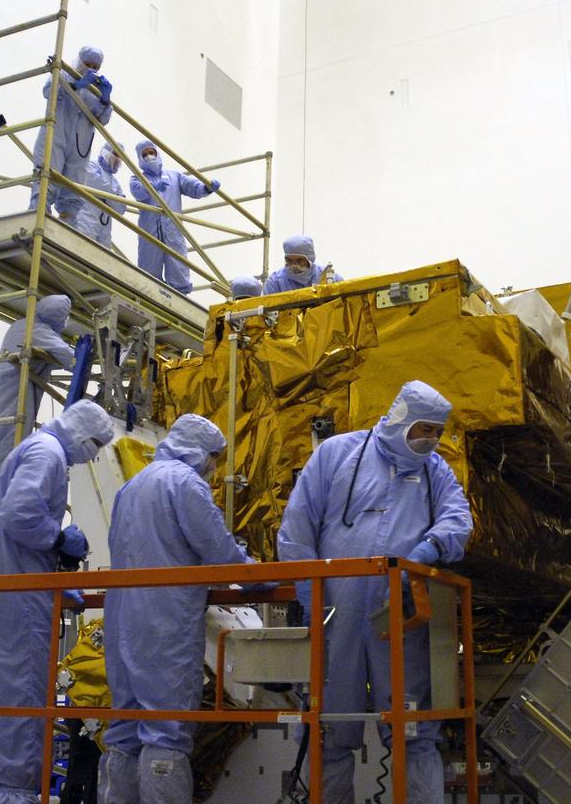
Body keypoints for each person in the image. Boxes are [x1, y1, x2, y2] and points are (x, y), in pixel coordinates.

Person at [277, 381, 473, 803]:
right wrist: (310, 598)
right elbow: (297, 528)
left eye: (437, 432)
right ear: (400, 417)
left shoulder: (434, 470)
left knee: (414, 729)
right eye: (423, 429)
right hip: (335, 614)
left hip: (399, 616)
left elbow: (458, 519)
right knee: (328, 727)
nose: (430, 440)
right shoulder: (337, 454)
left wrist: (429, 548)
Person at [0, 400, 114, 804]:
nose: (94, 455)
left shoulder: (32, 448)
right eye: (96, 445)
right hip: (17, 604)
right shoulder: (48, 454)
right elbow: (20, 514)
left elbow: (14, 530)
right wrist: (59, 538)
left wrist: (52, 580)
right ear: (85, 436)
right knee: (20, 711)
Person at [100, 414, 255, 804]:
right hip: (164, 622)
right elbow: (217, 550)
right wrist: (260, 575)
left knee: (125, 729)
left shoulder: (132, 486)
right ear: (199, 451)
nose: (214, 468)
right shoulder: (186, 484)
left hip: (123, 620)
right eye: (214, 458)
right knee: (165, 730)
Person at [0, 295, 76, 526]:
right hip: (12, 404)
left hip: (4, 399)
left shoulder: (23, 325)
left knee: (1, 463)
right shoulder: (35, 330)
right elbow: (73, 359)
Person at [30, 45, 113, 224]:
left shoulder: (94, 91)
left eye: (96, 67)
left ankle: (66, 226)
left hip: (79, 149)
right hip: (56, 138)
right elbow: (49, 91)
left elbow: (103, 118)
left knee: (73, 188)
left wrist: (105, 100)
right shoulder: (63, 74)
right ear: (80, 61)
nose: (91, 69)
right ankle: (38, 219)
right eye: (88, 64)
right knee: (47, 178)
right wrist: (75, 85)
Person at [129, 141, 219, 294]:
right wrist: (152, 187)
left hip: (173, 229)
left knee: (178, 264)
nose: (149, 156)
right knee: (148, 269)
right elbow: (138, 192)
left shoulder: (174, 176)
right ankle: (148, 295)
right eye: (145, 155)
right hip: (150, 231)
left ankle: (179, 297)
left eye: (152, 152)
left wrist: (206, 188)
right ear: (140, 159)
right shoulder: (137, 178)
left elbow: (192, 186)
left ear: (157, 153)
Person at [76, 142, 126, 247]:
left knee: (101, 257)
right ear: (106, 151)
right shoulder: (92, 165)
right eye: (115, 154)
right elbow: (91, 180)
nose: (117, 158)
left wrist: (106, 192)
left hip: (104, 233)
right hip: (85, 223)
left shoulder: (115, 182)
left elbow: (121, 208)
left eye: (120, 156)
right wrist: (113, 196)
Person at [262, 234, 340, 294]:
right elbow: (266, 312)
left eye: (299, 260)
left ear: (310, 258)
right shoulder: (275, 282)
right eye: (289, 260)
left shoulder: (328, 277)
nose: (294, 265)